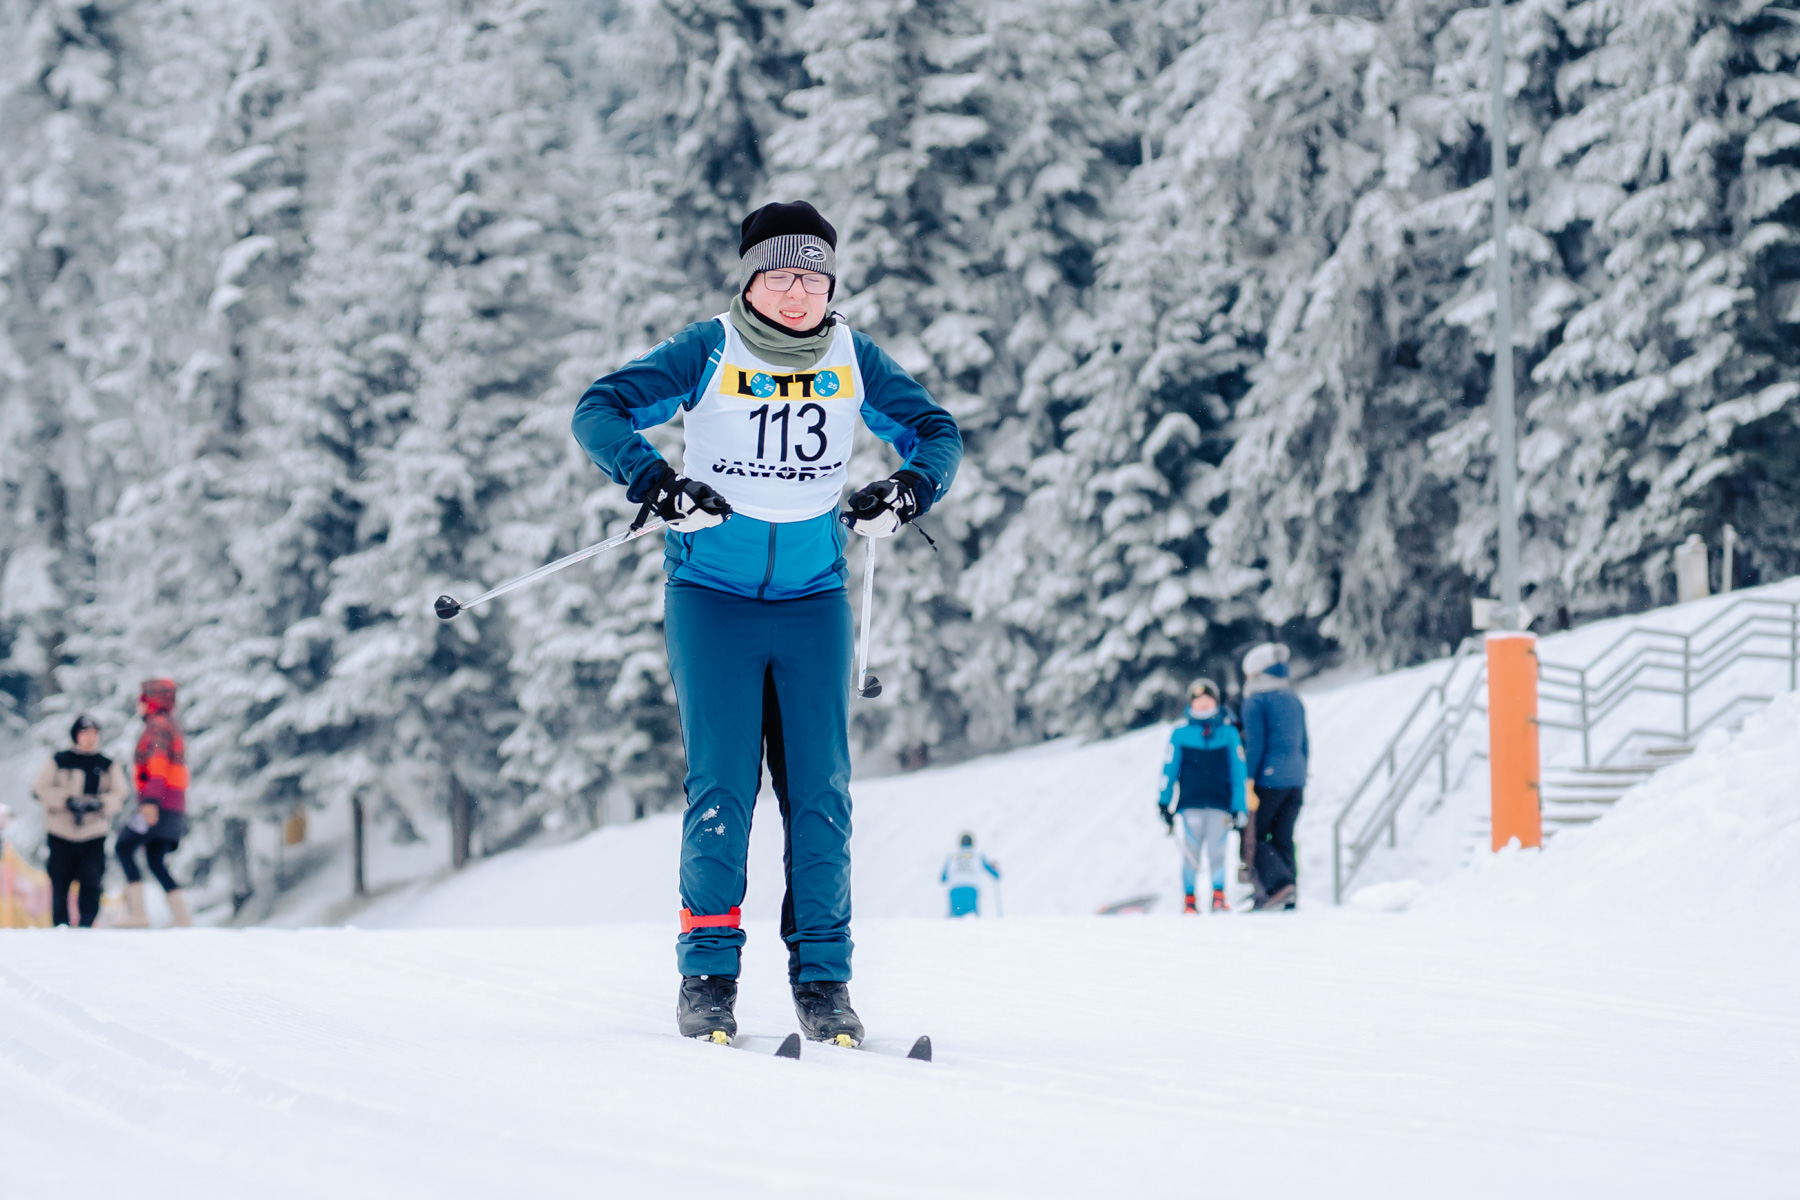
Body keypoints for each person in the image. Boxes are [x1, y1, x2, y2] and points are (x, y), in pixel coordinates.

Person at [572, 201, 961, 1045]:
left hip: (815, 600)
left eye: (814, 280)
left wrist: (907, 491)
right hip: (711, 599)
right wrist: (656, 483)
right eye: (781, 276)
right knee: (723, 789)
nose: (797, 294)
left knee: (821, 793)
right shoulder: (709, 348)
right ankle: (708, 979)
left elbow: (936, 432)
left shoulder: (852, 357)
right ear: (750, 280)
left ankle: (824, 983)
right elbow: (598, 410)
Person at [1157, 678, 1247, 913]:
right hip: (1191, 804)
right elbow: (1170, 769)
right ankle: (1189, 899)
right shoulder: (1180, 734)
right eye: (1199, 700)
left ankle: (1219, 896)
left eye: (1208, 700)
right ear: (1191, 704)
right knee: (1191, 854)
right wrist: (1164, 801)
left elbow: (1238, 771)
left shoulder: (1228, 733)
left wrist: (1240, 806)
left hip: (1220, 804)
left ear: (1216, 702)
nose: (1204, 704)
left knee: (1218, 852)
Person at [29, 715, 128, 928]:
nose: (90, 738)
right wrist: (66, 800)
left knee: (92, 879)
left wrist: (99, 803)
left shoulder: (106, 764)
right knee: (59, 881)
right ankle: (60, 925)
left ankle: (87, 924)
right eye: (85, 733)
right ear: (76, 735)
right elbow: (39, 789)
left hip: (94, 831)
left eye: (93, 733)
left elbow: (120, 794)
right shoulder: (59, 760)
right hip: (60, 830)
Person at [116, 678, 193, 927]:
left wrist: (150, 801)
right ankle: (182, 917)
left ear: (151, 701)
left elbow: (158, 766)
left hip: (158, 803)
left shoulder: (158, 727)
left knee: (124, 846)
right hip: (173, 803)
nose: (138, 704)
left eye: (142, 699)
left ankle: (138, 914)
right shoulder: (171, 725)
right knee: (155, 858)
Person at [1241, 643, 1308, 910]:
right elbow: (1305, 742)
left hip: (1268, 780)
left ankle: (1278, 887)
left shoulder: (1256, 701)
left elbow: (1255, 745)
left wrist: (1248, 779)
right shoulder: (1293, 698)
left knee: (1255, 837)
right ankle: (1288, 893)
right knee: (1283, 837)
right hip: (1296, 779)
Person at [940, 832, 1001, 917]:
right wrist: (995, 869)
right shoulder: (978, 856)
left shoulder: (952, 856)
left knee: (955, 918)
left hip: (955, 890)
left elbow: (943, 878)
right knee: (971, 918)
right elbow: (995, 874)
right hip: (971, 890)